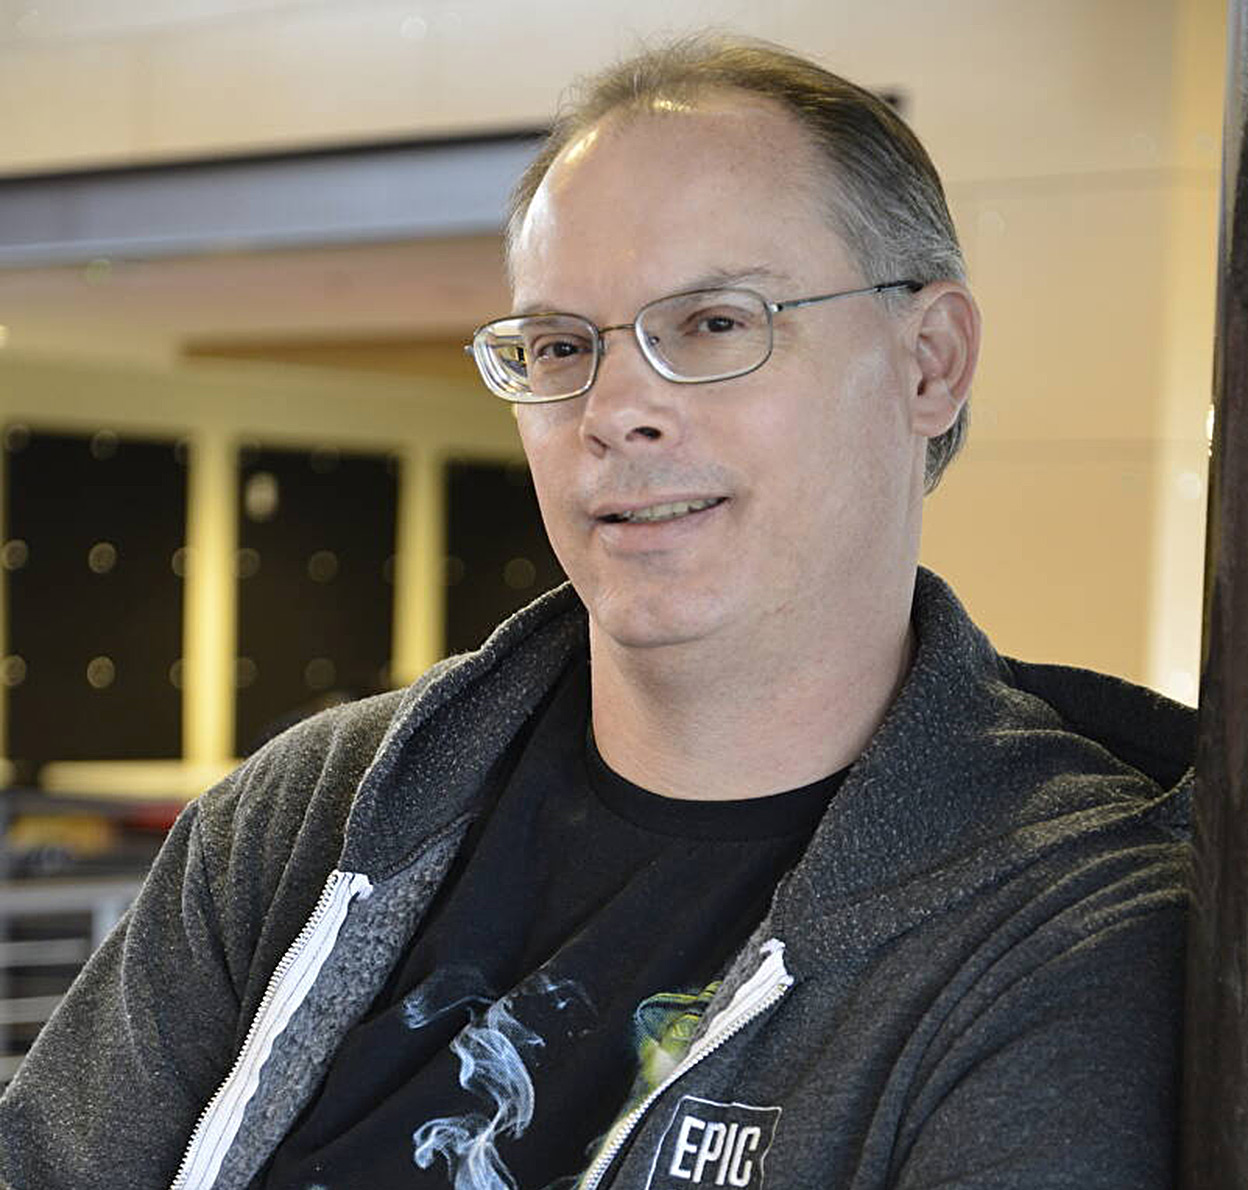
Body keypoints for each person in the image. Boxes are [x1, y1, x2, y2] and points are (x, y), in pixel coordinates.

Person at [0, 34, 1193, 1190]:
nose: (613, 409)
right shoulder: (309, 820)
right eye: (561, 345)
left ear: (929, 361)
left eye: (715, 323)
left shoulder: (1074, 914)